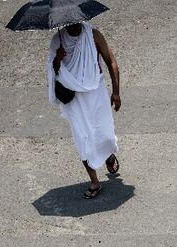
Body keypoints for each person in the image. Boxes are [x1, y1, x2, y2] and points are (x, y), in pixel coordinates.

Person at [48, 22, 121, 199]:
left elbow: (111, 61)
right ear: (64, 24)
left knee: (106, 135)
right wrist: (58, 58)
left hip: (96, 92)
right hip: (74, 97)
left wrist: (116, 92)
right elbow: (54, 71)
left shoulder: (94, 35)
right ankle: (94, 181)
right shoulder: (57, 41)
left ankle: (108, 155)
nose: (75, 28)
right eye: (70, 25)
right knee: (83, 138)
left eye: (77, 24)